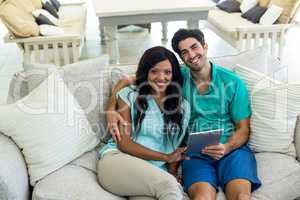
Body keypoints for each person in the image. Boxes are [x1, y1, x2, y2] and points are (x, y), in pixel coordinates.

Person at [106, 29, 261, 200]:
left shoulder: (232, 82)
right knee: (201, 198)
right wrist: (110, 108)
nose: (192, 55)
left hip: (232, 149)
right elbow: (135, 79)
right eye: (184, 52)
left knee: (241, 197)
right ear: (181, 58)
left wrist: (227, 147)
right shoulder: (177, 77)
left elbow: (244, 129)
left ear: (205, 46)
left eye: (195, 47)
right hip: (197, 152)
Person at [97, 46, 190, 200]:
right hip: (117, 161)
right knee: (170, 186)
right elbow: (124, 143)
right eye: (154, 71)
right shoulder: (129, 95)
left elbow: (176, 146)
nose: (161, 78)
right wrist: (166, 158)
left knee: (167, 186)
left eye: (167, 72)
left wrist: (172, 172)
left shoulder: (183, 106)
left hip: (153, 172)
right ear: (146, 71)